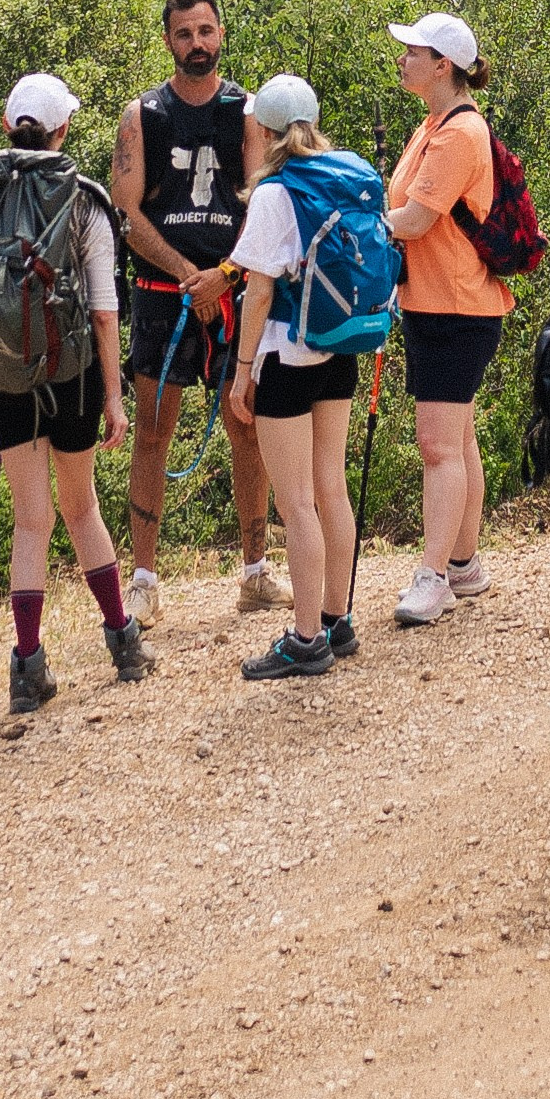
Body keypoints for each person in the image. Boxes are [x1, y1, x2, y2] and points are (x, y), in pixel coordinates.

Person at [0, 73, 147, 716]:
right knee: (81, 509)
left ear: (9, 125)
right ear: (64, 129)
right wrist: (113, 396)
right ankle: (123, 644)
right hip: (68, 375)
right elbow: (105, 312)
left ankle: (27, 667)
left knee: (30, 519)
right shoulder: (84, 200)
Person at [112, 0, 274, 629]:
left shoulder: (247, 111)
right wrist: (188, 275)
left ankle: (256, 573)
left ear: (222, 33)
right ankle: (145, 581)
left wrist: (226, 274)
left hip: (234, 292)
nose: (197, 43)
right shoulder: (143, 115)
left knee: (247, 423)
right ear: (168, 41)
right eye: (184, 33)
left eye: (206, 30)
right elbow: (128, 212)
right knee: (152, 433)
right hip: (164, 297)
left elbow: (265, 202)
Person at [224, 74, 365, 681]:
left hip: (286, 355)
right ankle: (337, 618)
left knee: (297, 503)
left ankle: (307, 639)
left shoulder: (274, 193)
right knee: (330, 488)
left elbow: (257, 292)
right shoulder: (347, 176)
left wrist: (240, 372)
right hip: (341, 348)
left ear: (263, 130)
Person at [382, 11, 515, 628]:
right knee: (456, 437)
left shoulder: (459, 135)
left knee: (437, 444)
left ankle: (433, 575)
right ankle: (462, 564)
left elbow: (412, 220)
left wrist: (347, 226)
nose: (404, 58)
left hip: (456, 306)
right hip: (440, 302)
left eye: (414, 51)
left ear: (443, 66)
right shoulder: (432, 126)